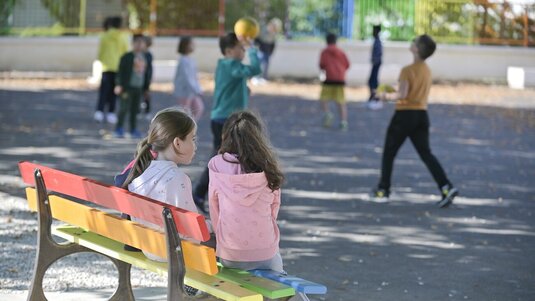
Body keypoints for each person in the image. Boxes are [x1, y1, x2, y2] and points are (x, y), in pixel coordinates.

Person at [208, 111, 309, 301]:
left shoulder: (216, 165)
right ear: (258, 138)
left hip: (230, 254)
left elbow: (214, 209)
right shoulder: (269, 168)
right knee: (285, 280)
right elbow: (273, 211)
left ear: (225, 137)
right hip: (265, 252)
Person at [119, 107, 205, 296]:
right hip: (172, 253)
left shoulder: (141, 173)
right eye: (193, 139)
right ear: (177, 143)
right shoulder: (178, 179)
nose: (196, 145)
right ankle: (193, 288)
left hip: (148, 246)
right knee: (213, 239)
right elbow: (193, 232)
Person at [372, 34, 458, 208]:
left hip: (404, 115)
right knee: (426, 154)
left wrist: (383, 96)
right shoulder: (426, 70)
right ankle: (446, 186)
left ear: (417, 49)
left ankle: (383, 189)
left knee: (389, 152)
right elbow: (411, 91)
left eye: (415, 42)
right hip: (421, 115)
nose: (412, 43)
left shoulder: (407, 70)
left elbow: (402, 95)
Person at [192, 32, 261, 213]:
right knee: (225, 159)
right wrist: (254, 50)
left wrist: (243, 91)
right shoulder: (232, 65)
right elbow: (254, 70)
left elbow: (234, 85)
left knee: (223, 157)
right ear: (230, 50)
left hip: (222, 118)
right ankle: (203, 193)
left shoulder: (225, 65)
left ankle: (205, 193)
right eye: (241, 48)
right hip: (227, 120)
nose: (244, 50)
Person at [114, 34, 153, 138]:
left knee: (135, 109)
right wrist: (118, 84)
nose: (139, 45)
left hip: (138, 87)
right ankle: (119, 128)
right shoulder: (127, 57)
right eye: (137, 43)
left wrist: (146, 88)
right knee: (124, 108)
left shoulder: (145, 57)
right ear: (132, 44)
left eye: (142, 43)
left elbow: (147, 74)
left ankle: (133, 129)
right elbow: (120, 72)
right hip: (127, 87)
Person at [94, 16, 128, 124]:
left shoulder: (104, 36)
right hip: (118, 69)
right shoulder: (123, 37)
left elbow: (101, 51)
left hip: (106, 67)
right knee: (115, 92)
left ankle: (99, 112)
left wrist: (101, 60)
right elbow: (125, 53)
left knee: (104, 91)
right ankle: (111, 113)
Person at [319, 32, 351, 131]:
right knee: (341, 101)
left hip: (329, 79)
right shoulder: (341, 52)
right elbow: (347, 64)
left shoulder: (324, 52)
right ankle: (343, 122)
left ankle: (327, 113)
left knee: (324, 98)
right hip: (340, 80)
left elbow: (322, 64)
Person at [173, 36, 204, 121]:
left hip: (192, 91)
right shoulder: (183, 61)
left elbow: (194, 77)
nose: (194, 46)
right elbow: (187, 78)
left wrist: (198, 88)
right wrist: (196, 90)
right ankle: (185, 131)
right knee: (185, 112)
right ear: (185, 46)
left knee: (198, 107)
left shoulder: (191, 60)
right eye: (191, 44)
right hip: (184, 91)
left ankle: (191, 128)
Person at [252, 17, 282, 84]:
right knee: (259, 63)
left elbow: (272, 43)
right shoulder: (263, 30)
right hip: (261, 48)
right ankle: (256, 77)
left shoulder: (273, 34)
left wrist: (271, 52)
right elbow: (257, 39)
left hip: (267, 50)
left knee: (266, 64)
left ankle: (263, 78)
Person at [367, 25, 383, 110]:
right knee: (372, 81)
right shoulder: (377, 41)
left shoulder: (378, 42)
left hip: (376, 64)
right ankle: (373, 98)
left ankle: (375, 99)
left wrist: (375, 62)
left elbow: (379, 54)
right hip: (376, 63)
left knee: (373, 82)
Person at [141, 35, 154, 120]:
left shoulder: (148, 55)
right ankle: (138, 111)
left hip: (146, 77)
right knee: (138, 94)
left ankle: (147, 111)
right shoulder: (139, 54)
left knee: (146, 94)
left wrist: (149, 78)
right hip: (139, 77)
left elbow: (149, 68)